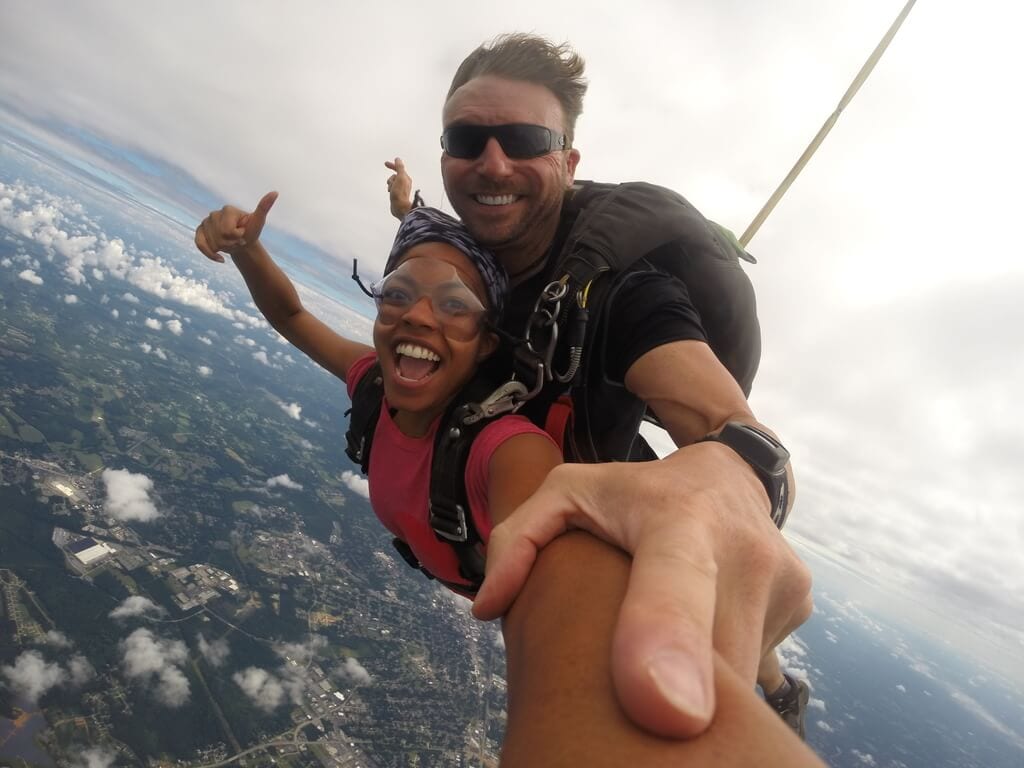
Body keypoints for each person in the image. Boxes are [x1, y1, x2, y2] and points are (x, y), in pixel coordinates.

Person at [194, 199, 823, 765]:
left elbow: (570, 580)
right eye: (397, 293)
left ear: (486, 343)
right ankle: (777, 685)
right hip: (459, 560)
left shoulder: (505, 449)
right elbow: (293, 314)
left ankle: (777, 691)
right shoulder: (371, 383)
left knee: (725, 618)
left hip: (548, 551)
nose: (416, 316)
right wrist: (249, 251)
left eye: (454, 305)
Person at [381, 32, 814, 740]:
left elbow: (727, 424)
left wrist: (726, 485)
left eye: (524, 139)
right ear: (445, 153)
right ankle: (774, 676)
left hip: (589, 446)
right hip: (568, 430)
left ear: (568, 159)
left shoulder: (623, 294)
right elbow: (453, 227)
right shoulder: (462, 250)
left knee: (670, 557)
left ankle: (774, 684)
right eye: (468, 138)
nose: (493, 162)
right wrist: (408, 206)